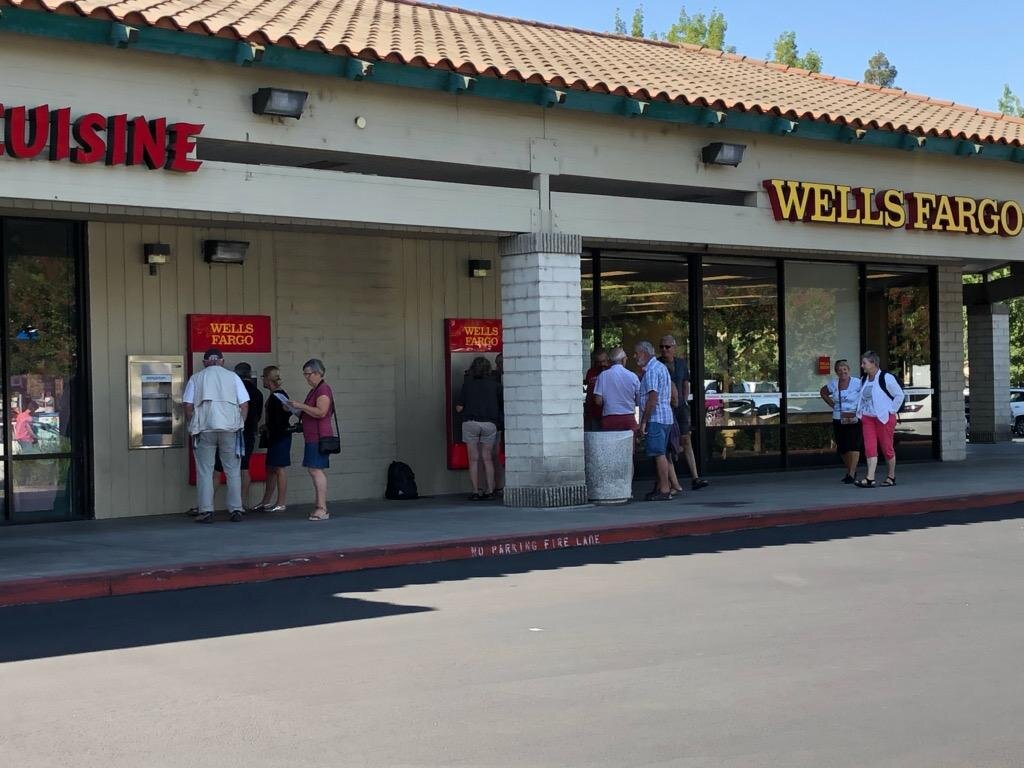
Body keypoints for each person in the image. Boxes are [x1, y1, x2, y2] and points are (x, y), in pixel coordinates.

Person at [183, 348, 249, 523]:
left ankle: (206, 511)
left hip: (205, 428)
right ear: (222, 361)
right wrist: (239, 423)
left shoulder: (196, 378)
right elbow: (244, 404)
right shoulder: (233, 377)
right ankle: (236, 510)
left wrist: (193, 423)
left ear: (205, 362)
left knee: (205, 471)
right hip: (230, 429)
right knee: (233, 471)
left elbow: (188, 406)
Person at [658, 335, 708, 491]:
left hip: (680, 408)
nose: (664, 350)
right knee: (668, 444)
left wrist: (684, 400)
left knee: (686, 440)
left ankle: (695, 477)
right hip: (666, 409)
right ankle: (672, 482)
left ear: (674, 348)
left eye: (667, 347)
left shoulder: (681, 364)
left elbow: (686, 383)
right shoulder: (658, 365)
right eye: (662, 347)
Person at [288, 359, 336, 521]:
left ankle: (322, 508)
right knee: (313, 469)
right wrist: (292, 408)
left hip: (319, 436)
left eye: (308, 374)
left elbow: (321, 412)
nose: (306, 378)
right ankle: (320, 506)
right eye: (305, 374)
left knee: (316, 470)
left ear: (317, 373)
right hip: (312, 436)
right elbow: (307, 413)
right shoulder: (314, 390)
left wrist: (301, 406)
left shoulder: (323, 390)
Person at [854, 350, 905, 488]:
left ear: (873, 363)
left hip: (884, 418)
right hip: (868, 418)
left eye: (864, 363)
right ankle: (870, 478)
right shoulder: (864, 379)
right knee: (870, 448)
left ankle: (891, 476)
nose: (862, 366)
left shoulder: (885, 377)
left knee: (886, 448)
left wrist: (891, 411)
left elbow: (899, 395)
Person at [456, 356, 502, 500]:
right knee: (487, 458)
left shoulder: (468, 384)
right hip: (490, 424)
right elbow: (501, 405)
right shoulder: (495, 385)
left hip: (471, 423)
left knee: (474, 459)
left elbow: (459, 407)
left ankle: (476, 491)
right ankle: (490, 490)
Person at [635, 341, 675, 501]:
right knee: (660, 452)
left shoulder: (651, 370)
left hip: (656, 417)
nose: (635, 356)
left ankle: (665, 489)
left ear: (644, 353)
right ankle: (659, 487)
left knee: (658, 454)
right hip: (666, 416)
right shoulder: (661, 367)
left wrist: (643, 421)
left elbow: (652, 399)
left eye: (636, 353)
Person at [254, 365, 292, 513]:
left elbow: (286, 414)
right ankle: (266, 501)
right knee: (270, 468)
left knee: (279, 468)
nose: (262, 380)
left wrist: (272, 426)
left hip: (281, 436)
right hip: (274, 436)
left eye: (263, 377)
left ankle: (281, 502)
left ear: (268, 379)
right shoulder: (274, 395)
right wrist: (266, 426)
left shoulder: (280, 395)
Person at [819, 358, 863, 483]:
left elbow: (865, 396)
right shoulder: (834, 383)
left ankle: (852, 473)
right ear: (836, 372)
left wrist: (860, 408)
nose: (842, 372)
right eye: (839, 370)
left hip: (854, 417)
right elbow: (823, 392)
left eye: (845, 369)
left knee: (854, 445)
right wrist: (833, 405)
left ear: (848, 370)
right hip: (839, 418)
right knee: (843, 447)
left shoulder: (857, 382)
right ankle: (850, 471)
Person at [233, 362, 265, 510]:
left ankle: (233, 503)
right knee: (245, 468)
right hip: (250, 433)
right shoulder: (258, 392)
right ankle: (241, 503)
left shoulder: (234, 390)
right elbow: (258, 415)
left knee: (230, 468)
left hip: (234, 432)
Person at [593, 347, 641, 431]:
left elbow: (598, 401)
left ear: (610, 361)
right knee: (629, 443)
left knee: (610, 443)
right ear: (623, 360)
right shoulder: (633, 376)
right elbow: (639, 400)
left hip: (609, 418)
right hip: (628, 418)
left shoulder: (603, 375)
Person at [583, 349, 610, 431]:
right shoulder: (591, 372)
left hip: (607, 412)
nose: (602, 364)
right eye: (599, 362)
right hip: (593, 412)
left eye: (603, 361)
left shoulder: (611, 371)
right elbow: (589, 391)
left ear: (608, 359)